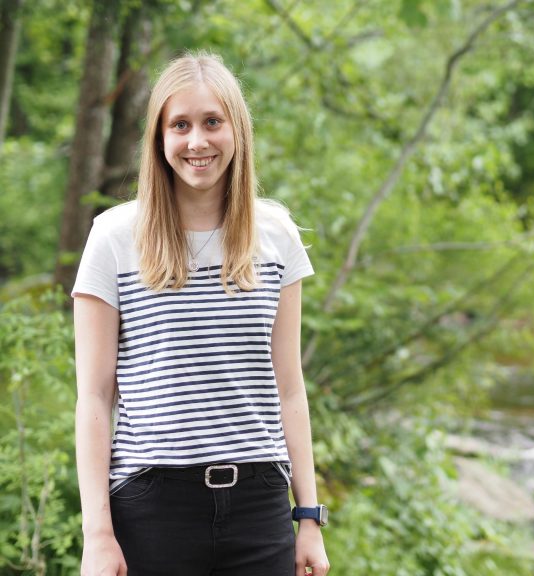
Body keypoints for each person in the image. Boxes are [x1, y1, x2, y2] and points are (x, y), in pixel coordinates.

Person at [72, 51, 330, 576]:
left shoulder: (276, 235)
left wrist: (308, 519)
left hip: (260, 507)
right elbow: (95, 397)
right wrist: (97, 533)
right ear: (159, 138)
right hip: (151, 506)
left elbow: (289, 389)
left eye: (213, 122)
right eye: (180, 125)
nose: (197, 142)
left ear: (237, 130)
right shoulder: (115, 238)